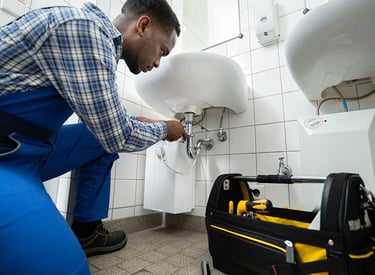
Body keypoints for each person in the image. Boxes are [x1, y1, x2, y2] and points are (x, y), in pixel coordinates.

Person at [0, 0, 186, 273]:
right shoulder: (86, 30)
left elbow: (108, 126)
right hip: (6, 153)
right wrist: (165, 129)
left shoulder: (98, 41)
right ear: (143, 25)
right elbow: (117, 135)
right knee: (70, 268)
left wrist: (135, 123)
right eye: (161, 51)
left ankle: (87, 231)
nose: (157, 62)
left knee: (99, 137)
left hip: (26, 149)